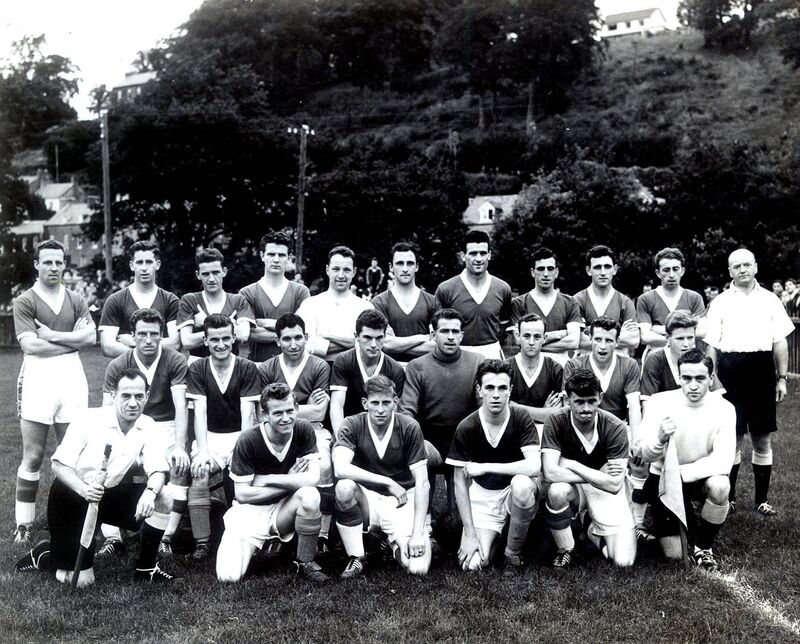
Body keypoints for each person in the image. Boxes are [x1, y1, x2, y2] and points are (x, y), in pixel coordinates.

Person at [15, 368, 178, 585]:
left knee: (164, 496)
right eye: (126, 396)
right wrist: (84, 489)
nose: (132, 403)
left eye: (139, 396)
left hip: (110, 493)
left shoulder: (148, 425)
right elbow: (58, 464)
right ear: (113, 396)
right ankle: (43, 554)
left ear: (146, 397)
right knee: (83, 581)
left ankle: (146, 568)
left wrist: (149, 493)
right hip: (72, 496)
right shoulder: (88, 419)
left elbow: (157, 469)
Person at [12, 239, 96, 544]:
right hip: (38, 375)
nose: (54, 267)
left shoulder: (76, 298)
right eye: (47, 262)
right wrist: (72, 338)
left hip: (72, 374)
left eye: (58, 262)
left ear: (65, 264)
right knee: (33, 455)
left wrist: (54, 336)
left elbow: (91, 339)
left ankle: (74, 517)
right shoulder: (24, 301)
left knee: (73, 453)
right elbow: (30, 344)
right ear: (36, 264)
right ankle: (24, 523)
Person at [704, 248, 794, 516]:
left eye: (747, 265)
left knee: (762, 438)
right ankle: (728, 499)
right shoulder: (719, 302)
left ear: (755, 267)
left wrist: (782, 378)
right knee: (732, 437)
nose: (742, 270)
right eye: (736, 266)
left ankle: (761, 500)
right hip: (730, 371)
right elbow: (711, 345)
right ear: (729, 271)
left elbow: (780, 341)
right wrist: (712, 377)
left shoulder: (771, 300)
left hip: (762, 371)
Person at [215, 383, 328, 583]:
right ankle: (267, 544)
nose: (286, 418)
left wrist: (268, 480)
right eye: (278, 413)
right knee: (228, 577)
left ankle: (304, 561)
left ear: (297, 409)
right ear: (265, 414)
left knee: (310, 495)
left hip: (284, 508)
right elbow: (242, 495)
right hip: (250, 511)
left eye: (290, 411)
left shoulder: (303, 429)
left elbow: (312, 478)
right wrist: (292, 481)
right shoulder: (248, 439)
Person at [99, 308, 189, 557]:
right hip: (128, 427)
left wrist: (179, 446)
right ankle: (113, 537)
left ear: (162, 335)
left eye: (154, 334)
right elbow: (107, 411)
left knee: (177, 466)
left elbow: (180, 406)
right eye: (142, 334)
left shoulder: (175, 359)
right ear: (132, 335)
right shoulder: (118, 365)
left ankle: (165, 536)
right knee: (109, 466)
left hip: (165, 425)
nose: (148, 340)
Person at [638, 349, 736, 571]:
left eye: (700, 378)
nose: (693, 385)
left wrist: (679, 474)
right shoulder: (659, 403)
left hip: (697, 478)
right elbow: (645, 455)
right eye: (687, 378)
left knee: (721, 486)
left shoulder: (725, 409)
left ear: (711, 379)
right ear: (679, 378)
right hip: (662, 479)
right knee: (674, 556)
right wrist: (659, 439)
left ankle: (704, 546)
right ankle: (676, 515)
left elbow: (722, 461)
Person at [446, 360, 542, 576]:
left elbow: (535, 465)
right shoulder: (467, 426)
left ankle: (512, 554)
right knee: (473, 564)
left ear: (510, 391)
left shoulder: (520, 417)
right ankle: (498, 537)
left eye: (502, 388)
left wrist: (486, 467)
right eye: (489, 387)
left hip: (512, 492)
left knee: (522, 485)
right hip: (484, 496)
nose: (496, 394)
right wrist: (469, 533)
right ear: (480, 390)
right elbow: (459, 483)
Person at [333, 375, 431, 578]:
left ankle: (390, 542)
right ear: (365, 403)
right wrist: (387, 481)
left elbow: (422, 482)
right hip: (368, 497)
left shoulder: (409, 426)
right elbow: (340, 468)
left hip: (402, 499)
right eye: (375, 403)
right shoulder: (352, 424)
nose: (380, 409)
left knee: (417, 568)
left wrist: (418, 533)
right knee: (344, 487)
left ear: (395, 402)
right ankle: (357, 556)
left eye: (386, 403)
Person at [183, 314, 261, 560]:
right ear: (204, 340)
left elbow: (249, 416)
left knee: (245, 481)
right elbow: (200, 413)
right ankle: (202, 542)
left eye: (226, 338)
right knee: (200, 472)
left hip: (240, 436)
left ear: (234, 338)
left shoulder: (247, 367)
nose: (220, 345)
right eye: (214, 339)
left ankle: (245, 533)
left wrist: (242, 452)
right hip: (211, 437)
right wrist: (203, 451)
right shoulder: (197, 368)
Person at [542, 369, 636, 568]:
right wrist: (599, 475)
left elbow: (614, 485)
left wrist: (573, 464)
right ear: (568, 400)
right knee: (557, 490)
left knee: (623, 561)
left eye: (591, 401)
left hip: (598, 487)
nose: (586, 408)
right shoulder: (556, 420)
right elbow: (550, 473)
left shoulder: (615, 426)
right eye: (579, 402)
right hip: (578, 486)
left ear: (600, 398)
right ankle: (565, 548)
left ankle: (589, 530)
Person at [258, 313, 334, 552]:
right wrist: (304, 406)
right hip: (275, 431)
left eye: (298, 338)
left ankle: (321, 533)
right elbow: (263, 414)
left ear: (306, 338)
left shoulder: (319, 365)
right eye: (287, 339)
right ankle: (275, 529)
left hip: (312, 430)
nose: (293, 344)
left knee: (323, 466)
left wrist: (282, 410)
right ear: (277, 341)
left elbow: (320, 414)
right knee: (270, 465)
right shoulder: (268, 367)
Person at [400, 309, 483, 528]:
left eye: (455, 331)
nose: (450, 336)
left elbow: (483, 407)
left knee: (457, 520)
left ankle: (461, 523)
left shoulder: (477, 362)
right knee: (422, 465)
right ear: (432, 334)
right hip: (429, 438)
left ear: (462, 335)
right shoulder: (417, 366)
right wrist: (420, 441)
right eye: (444, 331)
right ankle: (425, 524)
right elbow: (406, 411)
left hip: (464, 437)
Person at [564, 316, 644, 538]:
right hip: (582, 429)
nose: (602, 345)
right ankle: (577, 519)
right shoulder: (575, 364)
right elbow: (568, 407)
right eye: (597, 339)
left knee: (640, 460)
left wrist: (635, 441)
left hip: (617, 429)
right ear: (589, 338)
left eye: (609, 340)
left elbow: (634, 407)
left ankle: (636, 523)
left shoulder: (628, 365)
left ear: (617, 342)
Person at [435, 230, 512, 359]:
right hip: (457, 354)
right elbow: (438, 327)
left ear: (489, 255)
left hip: (491, 353)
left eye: (483, 253)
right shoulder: (446, 289)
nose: (478, 259)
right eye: (473, 253)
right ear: (463, 256)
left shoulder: (503, 288)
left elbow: (503, 325)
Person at [99, 240, 180, 358]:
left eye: (148, 262)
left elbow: (175, 343)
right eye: (139, 262)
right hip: (127, 373)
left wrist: (135, 343)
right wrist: (151, 348)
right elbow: (107, 347)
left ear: (157, 264)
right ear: (132, 265)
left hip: (162, 373)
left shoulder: (170, 300)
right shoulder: (115, 300)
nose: (144, 268)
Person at [330, 310, 405, 437]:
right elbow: (337, 406)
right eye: (367, 338)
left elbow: (394, 411)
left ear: (384, 337)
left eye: (379, 338)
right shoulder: (344, 361)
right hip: (348, 429)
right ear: (356, 337)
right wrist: (341, 439)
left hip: (380, 433)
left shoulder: (395, 369)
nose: (374, 344)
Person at [239, 231, 310, 363]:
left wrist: (263, 322)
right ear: (262, 256)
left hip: (293, 367)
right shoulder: (246, 293)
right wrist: (288, 333)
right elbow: (249, 333)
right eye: (271, 254)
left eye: (282, 255)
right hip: (257, 365)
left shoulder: (301, 292)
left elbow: (304, 331)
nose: (276, 260)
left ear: (288, 257)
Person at [295, 245, 374, 362]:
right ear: (328, 270)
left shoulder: (366, 308)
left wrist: (326, 336)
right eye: (336, 269)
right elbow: (306, 345)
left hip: (353, 372)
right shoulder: (310, 305)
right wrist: (353, 343)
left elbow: (369, 344)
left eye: (346, 270)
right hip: (318, 372)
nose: (341, 275)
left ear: (354, 272)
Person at [177, 248, 254, 363]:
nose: (211, 279)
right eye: (206, 274)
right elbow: (187, 341)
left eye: (216, 272)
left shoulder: (238, 300)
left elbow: (243, 335)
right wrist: (229, 325)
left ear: (224, 271)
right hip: (198, 365)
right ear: (198, 275)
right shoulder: (189, 300)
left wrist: (206, 322)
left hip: (231, 366)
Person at [509, 247, 581, 365]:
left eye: (550, 269)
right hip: (528, 364)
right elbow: (519, 341)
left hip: (560, 363)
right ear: (533, 272)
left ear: (556, 272)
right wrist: (559, 334)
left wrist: (534, 342)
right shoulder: (519, 302)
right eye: (541, 269)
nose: (546, 274)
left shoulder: (570, 302)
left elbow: (573, 342)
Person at [640, 310, 723, 409]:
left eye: (690, 338)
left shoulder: (702, 359)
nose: (686, 344)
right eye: (680, 339)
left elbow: (719, 398)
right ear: (667, 338)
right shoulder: (655, 359)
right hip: (665, 418)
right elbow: (647, 403)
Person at [371, 242, 437, 363]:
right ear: (391, 267)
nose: (405, 269)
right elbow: (384, 344)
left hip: (424, 371)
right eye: (400, 263)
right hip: (390, 373)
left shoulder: (432, 301)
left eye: (410, 263)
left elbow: (436, 345)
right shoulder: (379, 302)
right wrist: (423, 338)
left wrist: (397, 345)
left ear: (417, 266)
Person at [636, 248, 706, 358]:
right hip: (656, 356)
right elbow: (645, 337)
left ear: (682, 271)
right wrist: (686, 333)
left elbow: (701, 332)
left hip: (687, 357)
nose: (671, 274)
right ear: (658, 273)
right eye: (666, 270)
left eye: (675, 269)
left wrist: (658, 329)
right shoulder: (645, 299)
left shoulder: (694, 297)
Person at [572, 245, 639, 354]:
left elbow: (634, 340)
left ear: (615, 269)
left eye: (607, 267)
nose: (603, 272)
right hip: (586, 363)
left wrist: (590, 331)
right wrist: (619, 331)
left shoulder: (625, 302)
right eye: (597, 267)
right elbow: (578, 340)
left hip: (618, 363)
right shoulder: (577, 300)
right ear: (589, 270)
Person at [505, 313, 564, 435]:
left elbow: (558, 414)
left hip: (547, 432)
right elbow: (503, 409)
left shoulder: (555, 369)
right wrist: (542, 412)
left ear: (544, 338)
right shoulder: (505, 368)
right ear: (518, 336)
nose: (531, 342)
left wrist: (516, 407)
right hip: (512, 432)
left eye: (537, 337)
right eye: (526, 336)